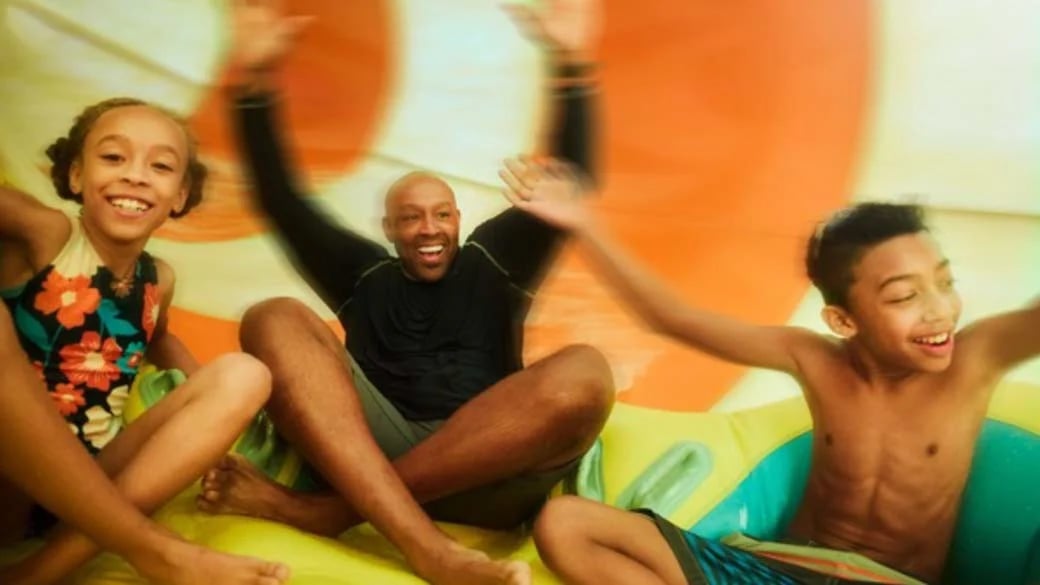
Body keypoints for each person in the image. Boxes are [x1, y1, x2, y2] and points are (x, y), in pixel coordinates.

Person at [194, 1, 614, 584]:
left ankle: (325, 515)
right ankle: (430, 551)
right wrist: (256, 81)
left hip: (491, 472)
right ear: (389, 230)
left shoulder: (495, 259)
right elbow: (281, 201)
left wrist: (570, 64)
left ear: (459, 220)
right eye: (411, 218)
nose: (428, 228)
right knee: (272, 317)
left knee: (586, 373)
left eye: (441, 214)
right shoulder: (362, 273)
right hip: (373, 452)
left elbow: (573, 185)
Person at [498, 158, 1040, 585]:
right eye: (904, 296)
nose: (939, 310)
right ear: (842, 319)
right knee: (563, 523)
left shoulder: (975, 359)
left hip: (886, 581)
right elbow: (672, 318)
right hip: (775, 570)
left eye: (944, 283)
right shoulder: (815, 360)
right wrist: (583, 221)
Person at [0, 98, 289, 584]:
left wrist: (213, 415)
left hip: (94, 483)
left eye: (160, 166)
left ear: (180, 194)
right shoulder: (45, 235)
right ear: (75, 176)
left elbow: (157, 338)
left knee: (246, 375)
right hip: (12, 476)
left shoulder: (159, 280)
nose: (135, 176)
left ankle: (45, 569)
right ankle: (151, 549)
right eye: (113, 158)